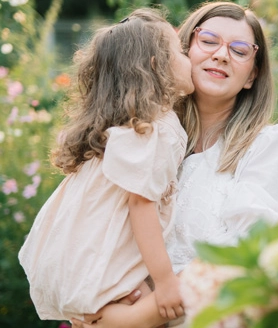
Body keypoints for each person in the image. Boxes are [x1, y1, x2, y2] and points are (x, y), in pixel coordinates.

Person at [71, 2, 278, 327]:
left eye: (239, 50)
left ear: (252, 75)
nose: (222, 55)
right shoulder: (144, 140)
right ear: (179, 54)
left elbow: (255, 261)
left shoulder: (269, 145)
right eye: (208, 40)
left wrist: (138, 311)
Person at [18, 8, 194, 323]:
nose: (189, 59)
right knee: (193, 293)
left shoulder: (128, 127)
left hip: (81, 261)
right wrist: (166, 281)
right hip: (102, 265)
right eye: (181, 52)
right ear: (158, 67)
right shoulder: (155, 128)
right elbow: (141, 205)